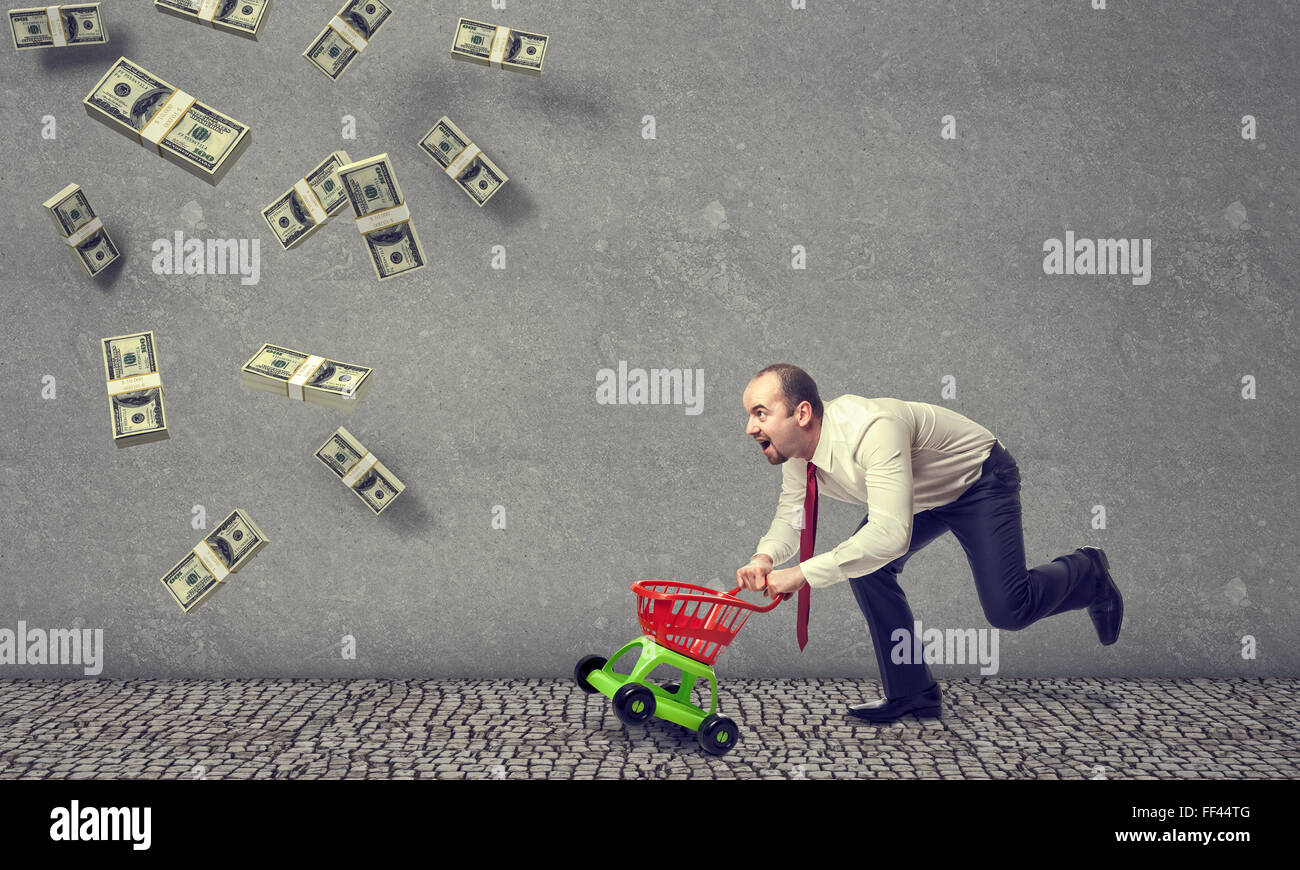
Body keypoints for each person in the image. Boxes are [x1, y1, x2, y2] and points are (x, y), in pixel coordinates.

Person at [736, 364, 1123, 723]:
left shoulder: (872, 429)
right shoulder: (796, 455)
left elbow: (890, 535)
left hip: (978, 482)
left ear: (801, 414)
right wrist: (764, 557)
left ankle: (1088, 573)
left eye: (760, 413)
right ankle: (912, 693)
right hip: (918, 495)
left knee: (1009, 610)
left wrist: (802, 574)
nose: (750, 428)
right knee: (867, 571)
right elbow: (792, 515)